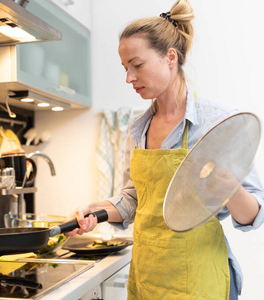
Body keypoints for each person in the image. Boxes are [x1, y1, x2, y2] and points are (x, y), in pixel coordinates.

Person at [65, 0, 264, 299]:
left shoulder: (218, 121)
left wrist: (229, 187)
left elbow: (254, 214)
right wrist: (98, 210)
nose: (129, 77)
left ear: (170, 57)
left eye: (137, 65)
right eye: (125, 67)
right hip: (148, 275)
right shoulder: (137, 128)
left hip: (201, 278)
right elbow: (134, 199)